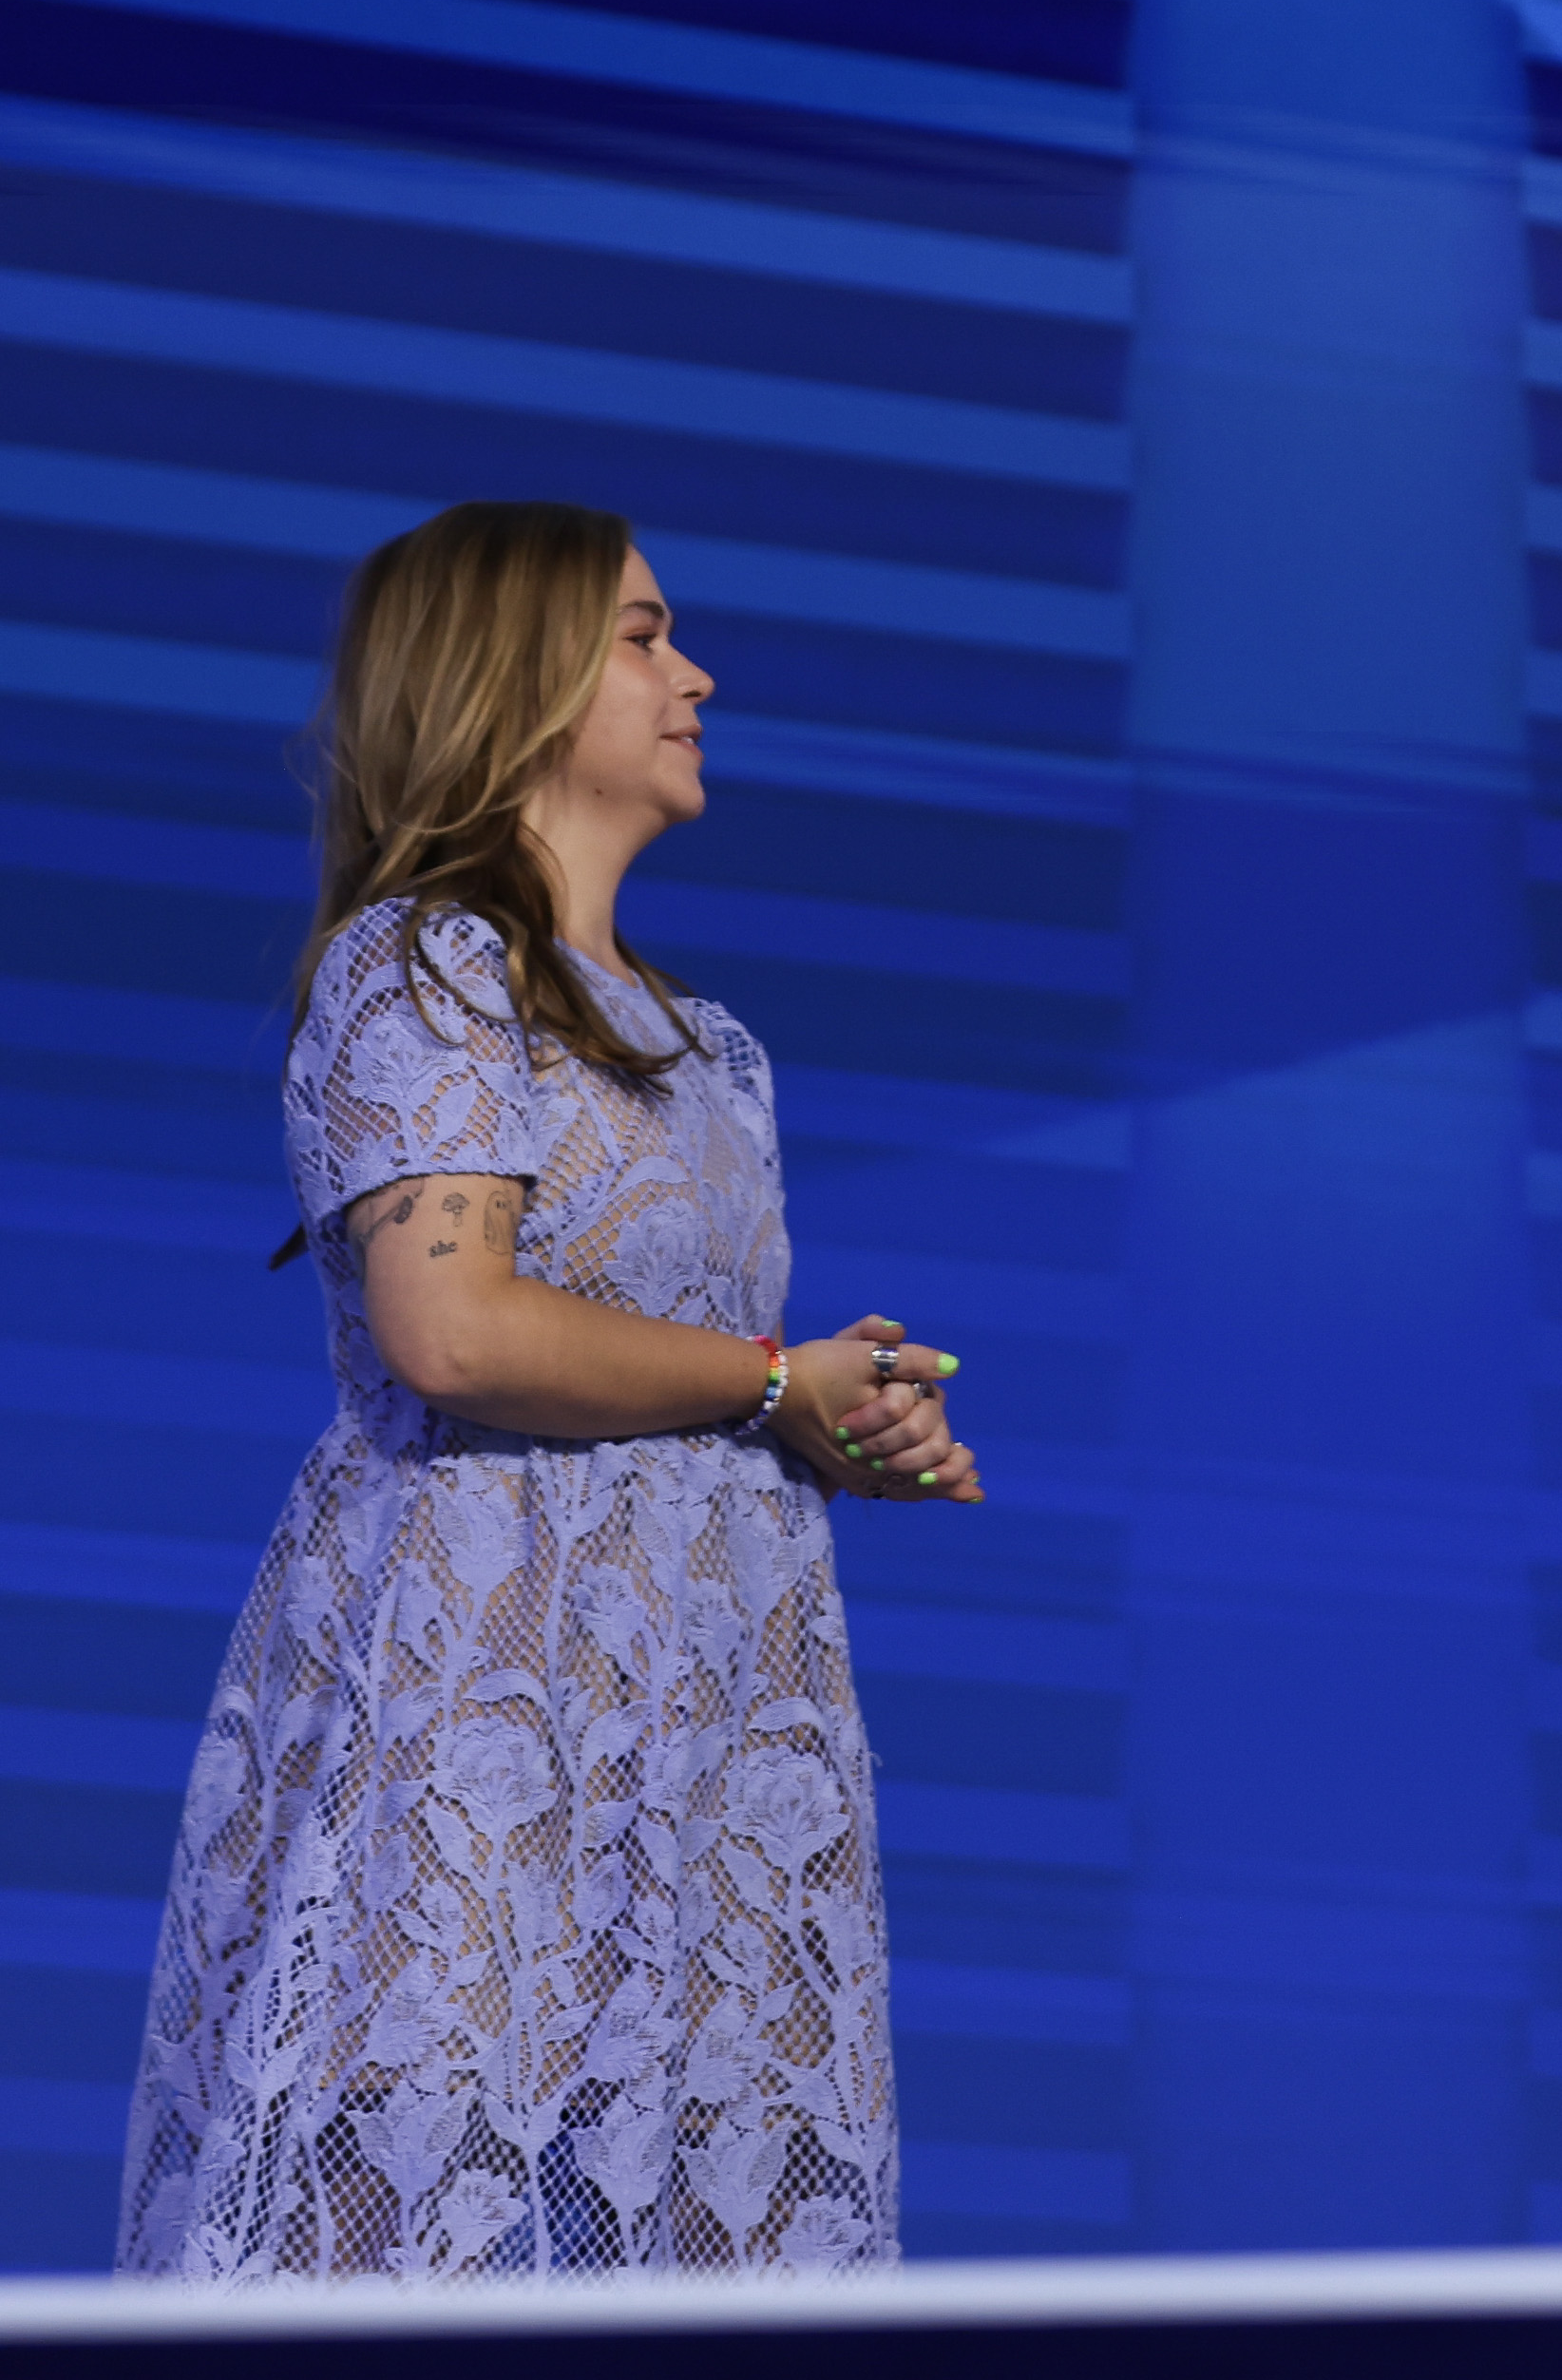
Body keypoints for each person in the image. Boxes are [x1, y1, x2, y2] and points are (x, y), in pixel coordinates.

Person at [119, 503, 981, 2278]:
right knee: (388, 2223)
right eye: (647, 636)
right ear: (514, 682)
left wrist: (845, 1417)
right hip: (484, 1728)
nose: (698, 676)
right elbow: (453, 1331)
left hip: (698, 1736)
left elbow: (701, 1389)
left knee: (696, 2278)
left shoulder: (708, 1044)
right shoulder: (425, 965)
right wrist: (767, 1379)